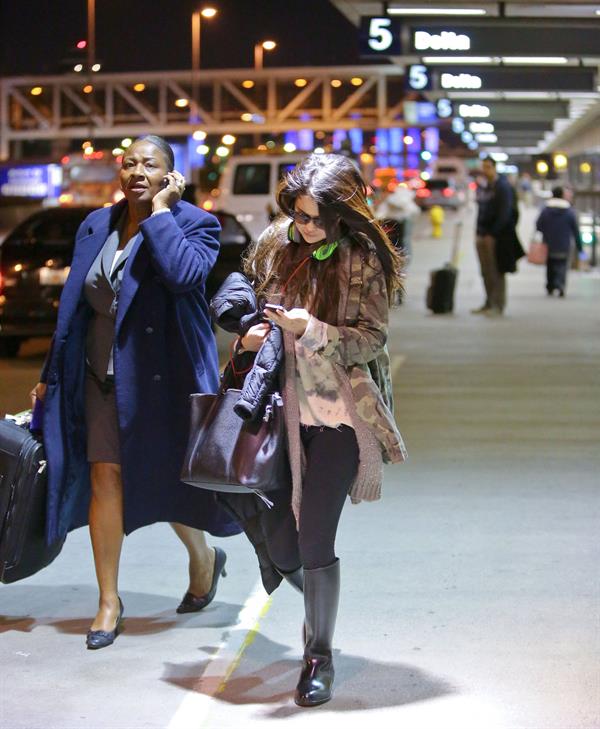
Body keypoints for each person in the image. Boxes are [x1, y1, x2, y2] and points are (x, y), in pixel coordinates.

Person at [30, 135, 240, 650]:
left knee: (166, 480)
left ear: (170, 176)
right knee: (107, 478)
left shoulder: (195, 222)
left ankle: (204, 558)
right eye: (129, 163)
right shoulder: (95, 225)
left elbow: (185, 275)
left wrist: (162, 214)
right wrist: (49, 371)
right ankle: (108, 601)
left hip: (165, 378)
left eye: (150, 164)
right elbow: (75, 309)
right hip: (100, 375)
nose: (136, 171)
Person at [235, 153, 407, 706]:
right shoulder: (275, 243)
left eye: (313, 218)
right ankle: (318, 612)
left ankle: (318, 656)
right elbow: (236, 293)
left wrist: (312, 328)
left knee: (314, 539)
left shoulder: (362, 259)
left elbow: (370, 340)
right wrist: (247, 331)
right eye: (297, 214)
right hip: (279, 410)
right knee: (283, 543)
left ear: (341, 216)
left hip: (337, 417)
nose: (302, 227)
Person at [473, 156, 523, 317]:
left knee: (496, 271)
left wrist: (493, 233)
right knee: (485, 271)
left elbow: (505, 213)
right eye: (484, 167)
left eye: (488, 167)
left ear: (494, 168)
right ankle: (488, 302)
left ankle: (498, 304)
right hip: (482, 234)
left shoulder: (503, 187)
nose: (485, 170)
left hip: (495, 237)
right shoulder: (486, 187)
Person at [535, 186, 583, 297]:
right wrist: (580, 249)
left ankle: (550, 286)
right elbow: (575, 231)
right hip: (564, 243)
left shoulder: (546, 210)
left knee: (550, 265)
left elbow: (538, 225)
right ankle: (560, 284)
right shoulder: (569, 212)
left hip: (548, 242)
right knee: (562, 265)